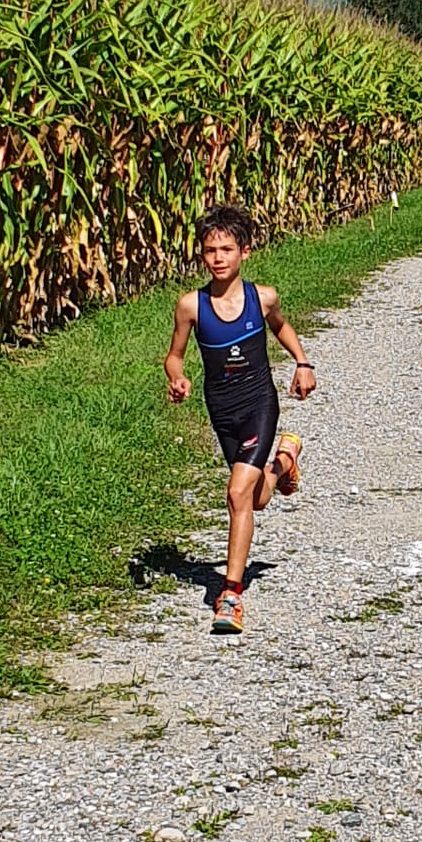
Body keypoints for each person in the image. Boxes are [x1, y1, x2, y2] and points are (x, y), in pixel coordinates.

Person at [164, 204, 315, 637]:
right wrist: (178, 378)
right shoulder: (191, 306)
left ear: (245, 251)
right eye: (210, 250)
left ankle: (230, 594)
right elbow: (174, 356)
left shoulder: (261, 297)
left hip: (258, 403)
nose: (218, 258)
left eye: (227, 248)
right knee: (257, 497)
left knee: (236, 493)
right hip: (221, 407)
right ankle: (285, 459)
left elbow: (282, 327)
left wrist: (303, 363)